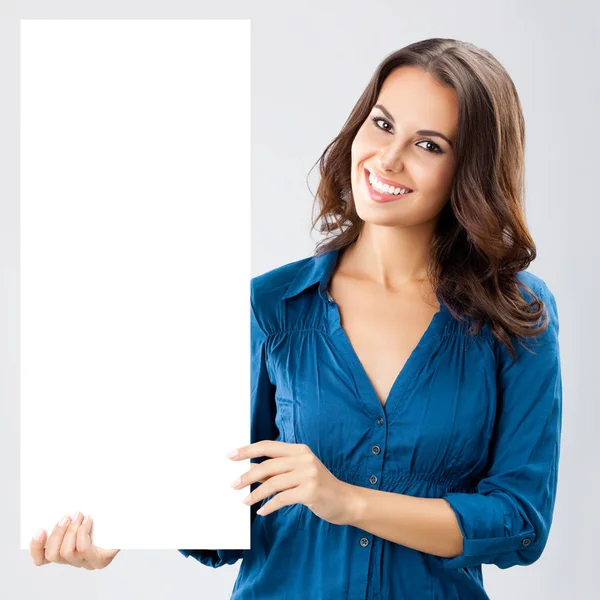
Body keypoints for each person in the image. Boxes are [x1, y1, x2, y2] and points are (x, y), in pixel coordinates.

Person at [29, 37, 562, 600]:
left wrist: (349, 501)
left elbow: (519, 522)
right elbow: (227, 514)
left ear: (469, 171)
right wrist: (127, 524)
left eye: (428, 144)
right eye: (381, 124)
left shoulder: (518, 315)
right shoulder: (270, 307)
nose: (387, 159)